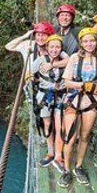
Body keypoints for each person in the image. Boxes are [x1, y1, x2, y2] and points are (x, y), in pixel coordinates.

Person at [57, 27, 97, 188]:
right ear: (81, 43)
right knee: (70, 137)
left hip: (92, 101)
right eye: (86, 41)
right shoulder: (74, 58)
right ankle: (67, 170)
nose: (89, 44)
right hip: (74, 99)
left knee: (85, 135)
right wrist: (85, 85)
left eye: (92, 40)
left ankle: (78, 167)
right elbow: (66, 82)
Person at [30, 34, 68, 167]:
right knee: (47, 124)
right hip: (45, 97)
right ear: (47, 47)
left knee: (60, 126)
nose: (54, 49)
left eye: (58, 47)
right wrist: (34, 79)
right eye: (51, 47)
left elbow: (70, 61)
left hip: (60, 97)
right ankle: (50, 153)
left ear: (62, 49)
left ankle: (58, 155)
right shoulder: (40, 60)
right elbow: (29, 74)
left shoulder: (65, 60)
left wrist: (53, 64)